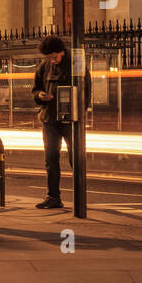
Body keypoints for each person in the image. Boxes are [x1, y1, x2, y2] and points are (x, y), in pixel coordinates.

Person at [32, 35, 91, 210]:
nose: (53, 60)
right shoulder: (44, 67)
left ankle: (80, 197)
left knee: (76, 158)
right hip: (50, 118)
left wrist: (79, 114)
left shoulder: (76, 64)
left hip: (70, 120)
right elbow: (35, 89)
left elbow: (85, 90)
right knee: (51, 159)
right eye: (49, 58)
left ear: (62, 52)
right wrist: (40, 96)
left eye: (55, 57)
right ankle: (53, 196)